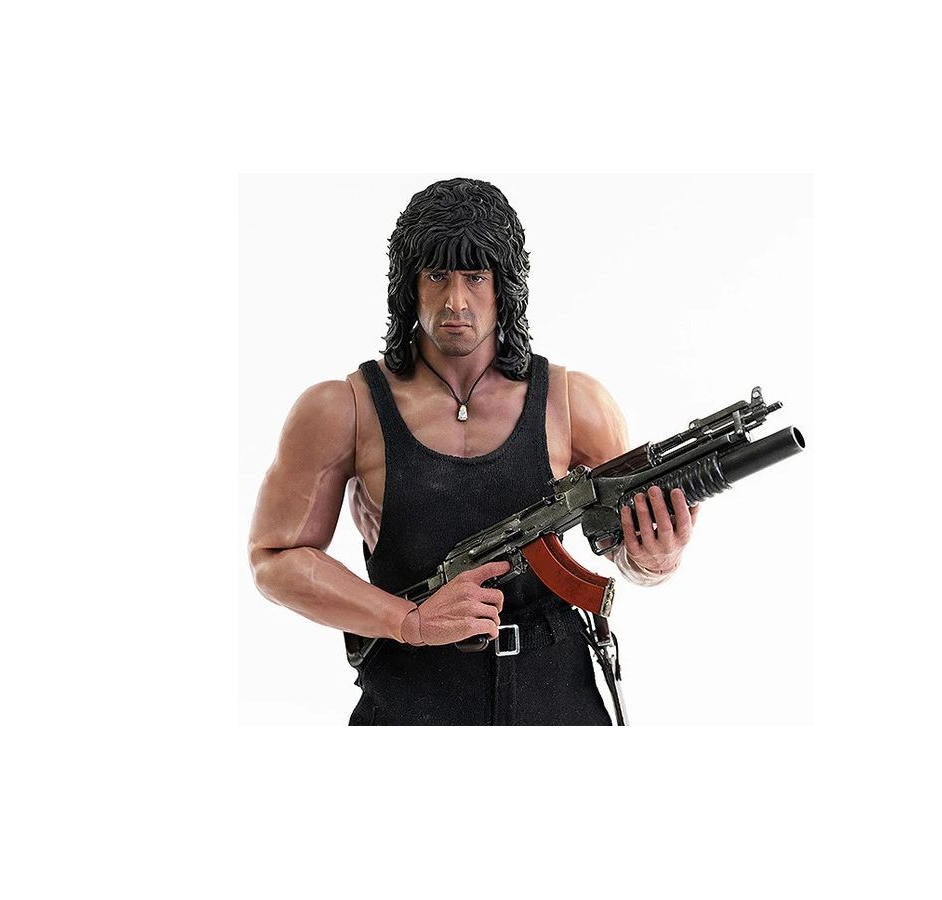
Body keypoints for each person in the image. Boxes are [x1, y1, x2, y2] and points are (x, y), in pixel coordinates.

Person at [248, 177, 700, 725]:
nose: (455, 301)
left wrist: (656, 559)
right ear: (409, 285)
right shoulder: (344, 409)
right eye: (437, 275)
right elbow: (275, 558)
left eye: (476, 276)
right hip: (412, 697)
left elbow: (624, 546)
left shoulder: (572, 403)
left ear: (504, 285)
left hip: (557, 693)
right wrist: (407, 621)